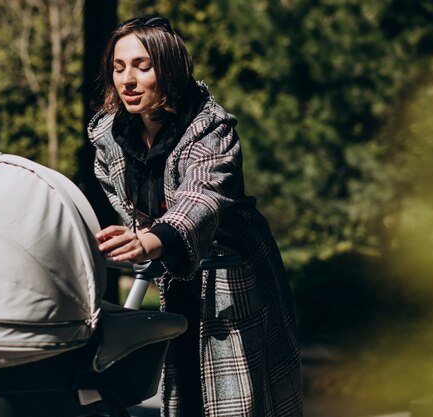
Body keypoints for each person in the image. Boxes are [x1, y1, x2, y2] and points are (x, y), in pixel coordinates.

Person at [88, 16, 302, 417]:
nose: (127, 80)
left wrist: (150, 240)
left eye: (142, 66)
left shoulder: (209, 129)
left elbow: (201, 197)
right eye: (118, 68)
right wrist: (138, 234)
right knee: (182, 391)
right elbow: (121, 195)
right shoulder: (111, 136)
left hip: (232, 277)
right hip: (173, 274)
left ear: (168, 71)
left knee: (236, 402)